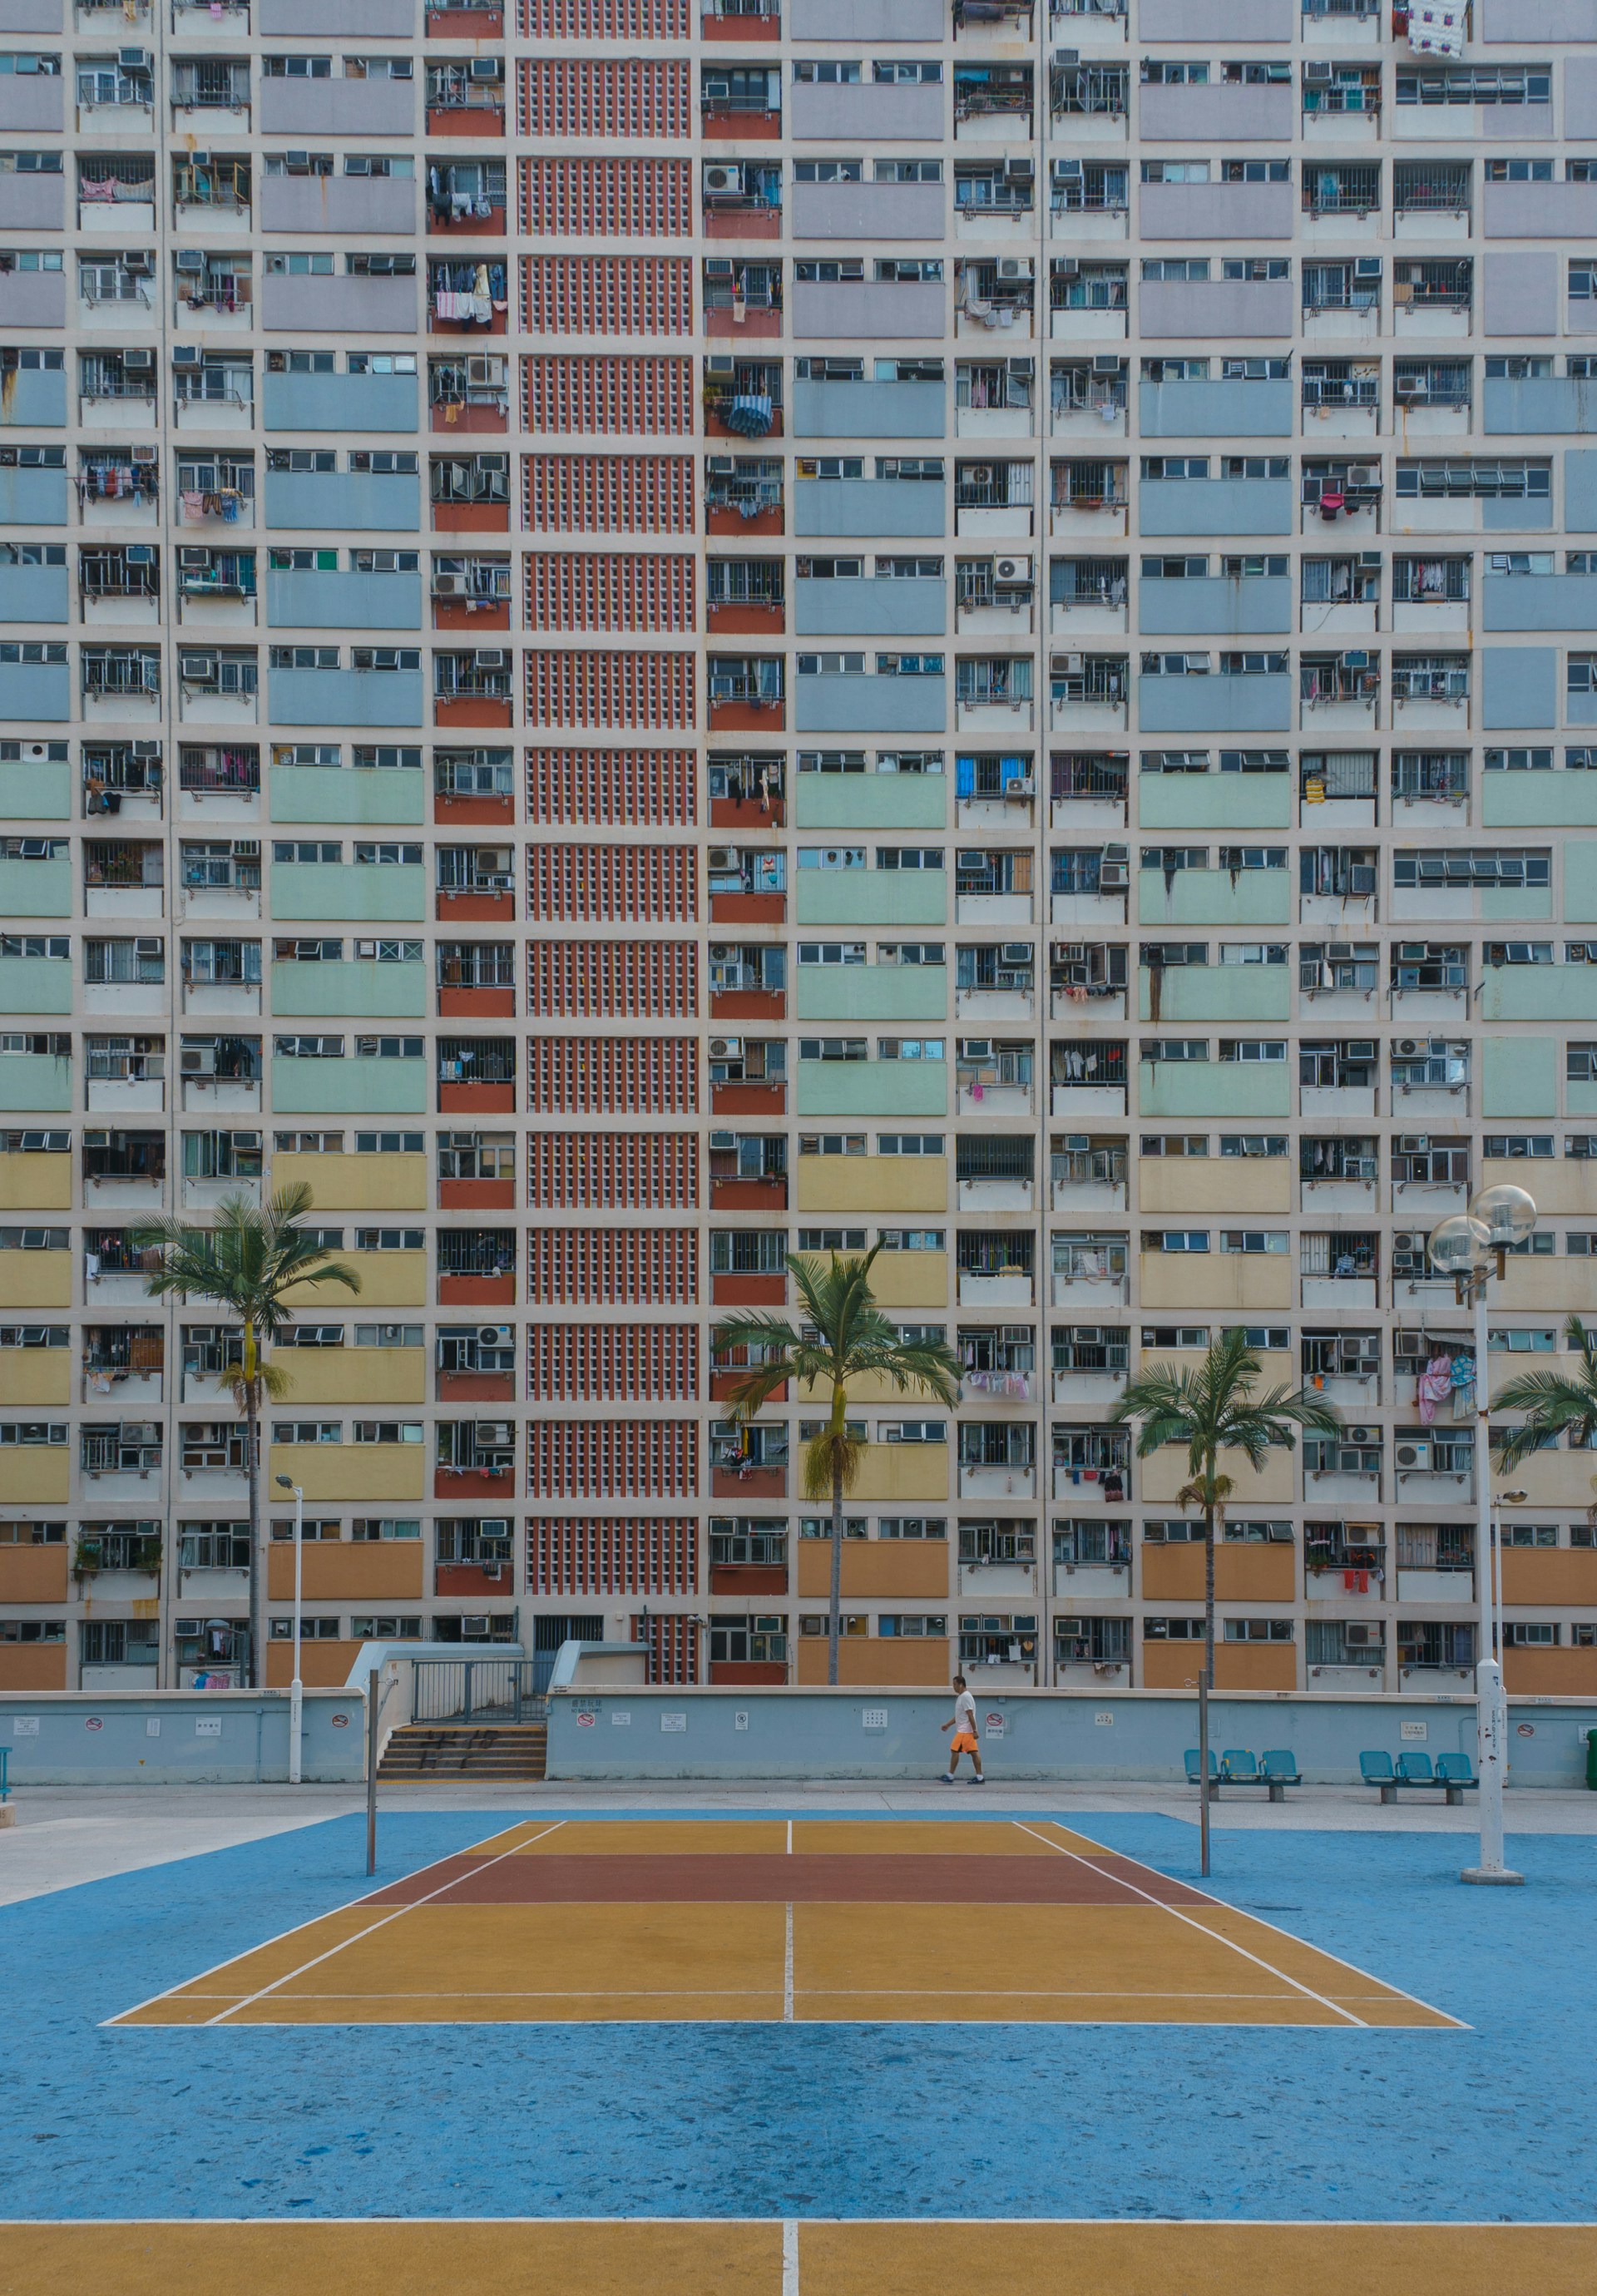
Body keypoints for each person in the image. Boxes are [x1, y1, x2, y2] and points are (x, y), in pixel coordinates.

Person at [939, 1675, 985, 1785]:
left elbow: (970, 1714)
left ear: (961, 1684)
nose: (953, 1687)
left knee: (955, 1750)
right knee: (974, 1753)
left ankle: (950, 1775)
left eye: (955, 1684)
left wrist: (975, 1730)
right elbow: (959, 1716)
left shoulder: (965, 1696)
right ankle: (979, 1777)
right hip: (965, 1730)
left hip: (965, 1731)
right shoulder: (962, 1697)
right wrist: (948, 1725)